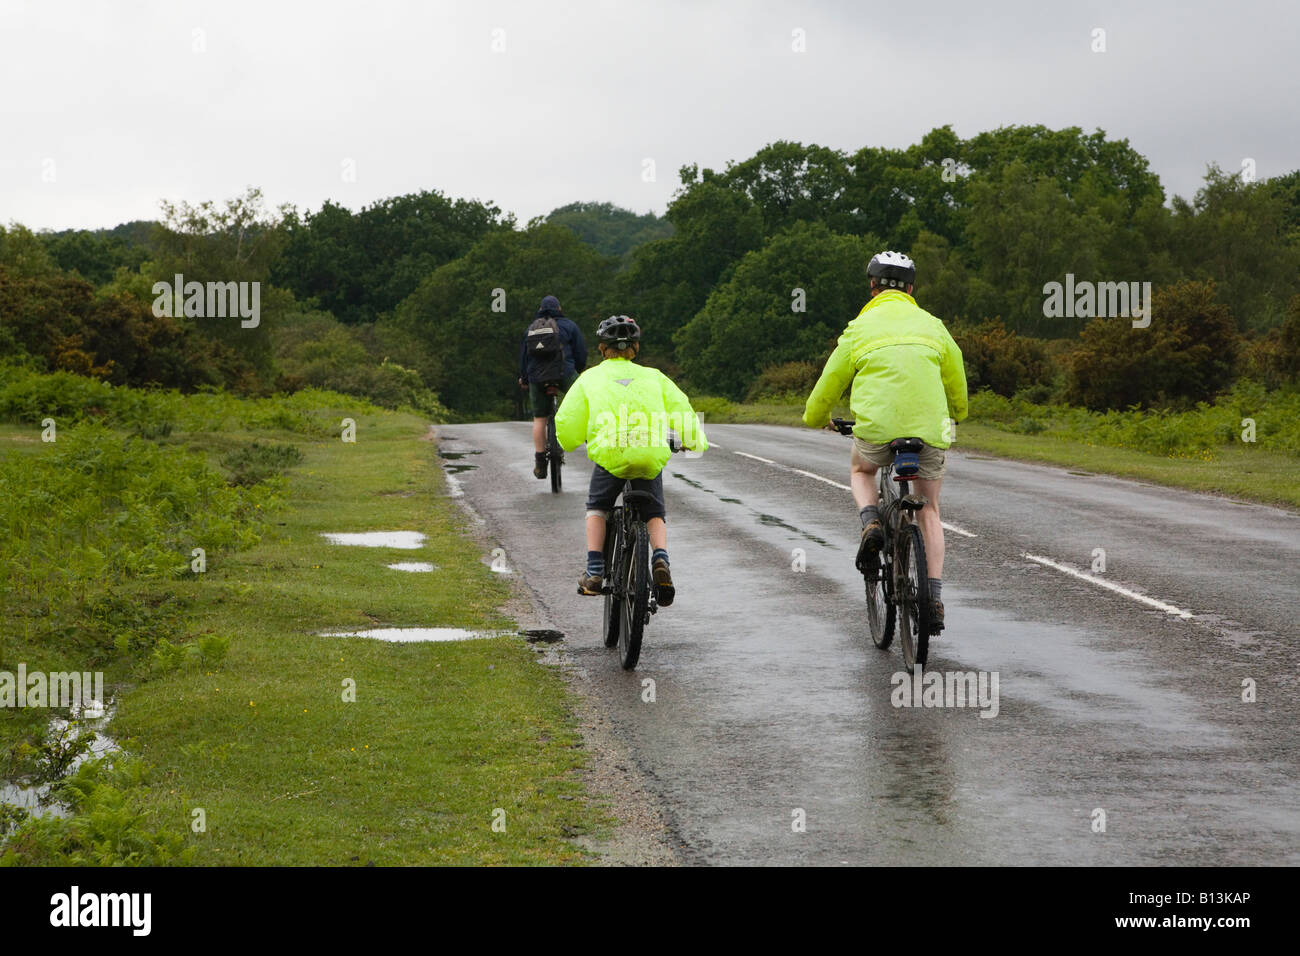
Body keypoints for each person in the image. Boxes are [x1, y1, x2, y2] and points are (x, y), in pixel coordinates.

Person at [802, 251, 968, 630]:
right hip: (929, 431)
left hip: (876, 431)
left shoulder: (858, 328)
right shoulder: (933, 325)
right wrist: (958, 412)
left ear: (872, 287)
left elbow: (829, 382)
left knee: (861, 469)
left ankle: (871, 521)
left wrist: (816, 418)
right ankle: (934, 600)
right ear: (911, 289)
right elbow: (955, 372)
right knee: (929, 510)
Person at [555, 315, 708, 606]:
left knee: (597, 507)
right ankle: (660, 559)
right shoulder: (654, 376)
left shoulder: (589, 378)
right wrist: (693, 441)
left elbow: (567, 418)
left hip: (611, 454)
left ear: (602, 349)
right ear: (635, 348)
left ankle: (595, 570)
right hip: (649, 452)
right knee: (654, 512)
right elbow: (682, 409)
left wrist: (569, 441)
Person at [519, 294, 587, 479]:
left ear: (540, 310)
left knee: (540, 419)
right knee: (585, 406)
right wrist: (577, 371)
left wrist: (525, 379)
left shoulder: (531, 329)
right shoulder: (570, 326)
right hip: (564, 373)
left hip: (537, 377)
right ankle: (592, 443)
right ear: (559, 309)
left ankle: (540, 463)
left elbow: (524, 358)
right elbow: (581, 353)